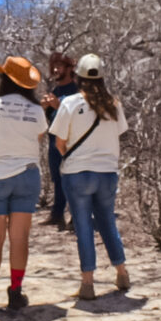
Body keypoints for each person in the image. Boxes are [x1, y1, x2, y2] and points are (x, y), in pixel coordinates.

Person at [49, 54, 130, 301]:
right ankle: (122, 272)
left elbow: (59, 142)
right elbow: (120, 134)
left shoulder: (70, 103)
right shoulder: (113, 104)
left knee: (83, 226)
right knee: (107, 222)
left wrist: (71, 159)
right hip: (107, 173)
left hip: (77, 174)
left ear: (79, 77)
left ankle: (88, 283)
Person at [0, 57, 48, 314]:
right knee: (19, 238)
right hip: (27, 176)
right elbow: (36, 139)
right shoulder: (37, 110)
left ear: (4, 79)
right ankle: (15, 293)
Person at [39, 52, 78, 230]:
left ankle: (77, 216)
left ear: (70, 69)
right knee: (58, 179)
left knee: (72, 178)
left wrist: (59, 106)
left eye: (60, 66)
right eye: (53, 66)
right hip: (54, 141)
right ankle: (57, 214)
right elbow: (52, 118)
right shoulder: (55, 91)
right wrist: (45, 108)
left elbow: (79, 117)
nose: (55, 70)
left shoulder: (77, 90)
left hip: (71, 143)